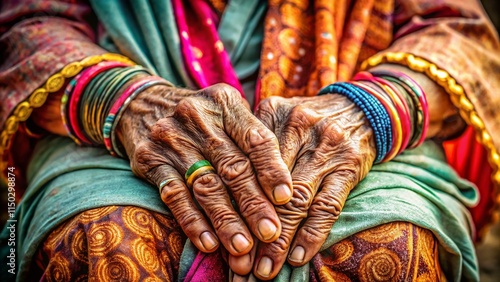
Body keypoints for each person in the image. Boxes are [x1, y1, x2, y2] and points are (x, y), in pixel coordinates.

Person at [0, 0, 498, 281]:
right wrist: (124, 101)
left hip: (353, 115)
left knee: (394, 244)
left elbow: (460, 35)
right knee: (103, 234)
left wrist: (369, 114)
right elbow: (27, 25)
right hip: (125, 117)